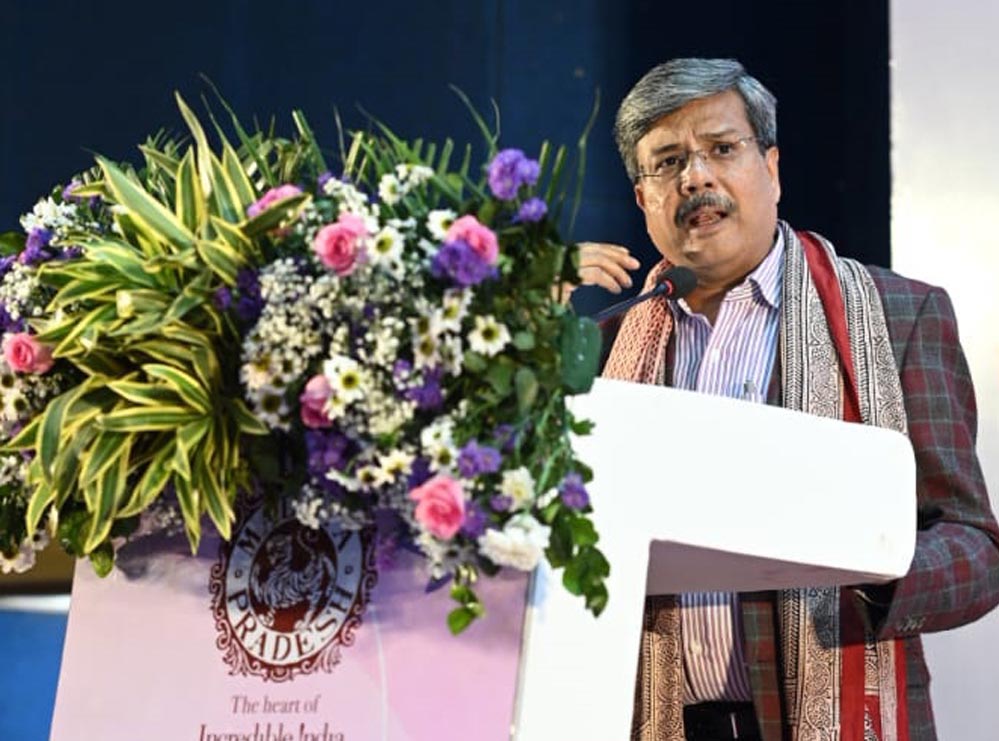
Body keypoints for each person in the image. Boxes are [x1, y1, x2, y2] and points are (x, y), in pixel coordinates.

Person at [575, 58, 999, 741]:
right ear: (642, 198)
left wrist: (873, 565)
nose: (695, 177)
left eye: (721, 148)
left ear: (770, 168)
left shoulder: (897, 317)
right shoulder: (602, 347)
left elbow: (976, 548)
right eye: (668, 162)